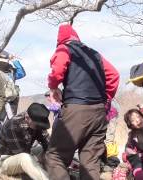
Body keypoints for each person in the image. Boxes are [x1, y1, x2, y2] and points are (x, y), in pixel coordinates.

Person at [45, 23, 120, 180]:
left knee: (56, 157)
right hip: (99, 113)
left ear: (60, 39)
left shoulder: (64, 48)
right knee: (90, 161)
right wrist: (106, 99)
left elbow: (58, 70)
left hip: (76, 109)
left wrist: (53, 86)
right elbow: (113, 75)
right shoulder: (94, 54)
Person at [0, 103, 50, 180]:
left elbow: (47, 142)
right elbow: (21, 153)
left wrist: (48, 152)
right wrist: (38, 159)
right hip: (4, 162)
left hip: (25, 153)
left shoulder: (35, 121)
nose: (39, 127)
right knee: (25, 158)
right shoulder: (13, 125)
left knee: (46, 149)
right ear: (27, 118)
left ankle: (56, 174)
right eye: (37, 125)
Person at [123, 109, 143, 180]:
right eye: (133, 120)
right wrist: (134, 153)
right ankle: (139, 174)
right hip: (142, 158)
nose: (137, 120)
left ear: (142, 116)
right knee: (132, 157)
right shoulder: (132, 134)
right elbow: (128, 147)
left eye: (138, 116)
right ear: (130, 125)